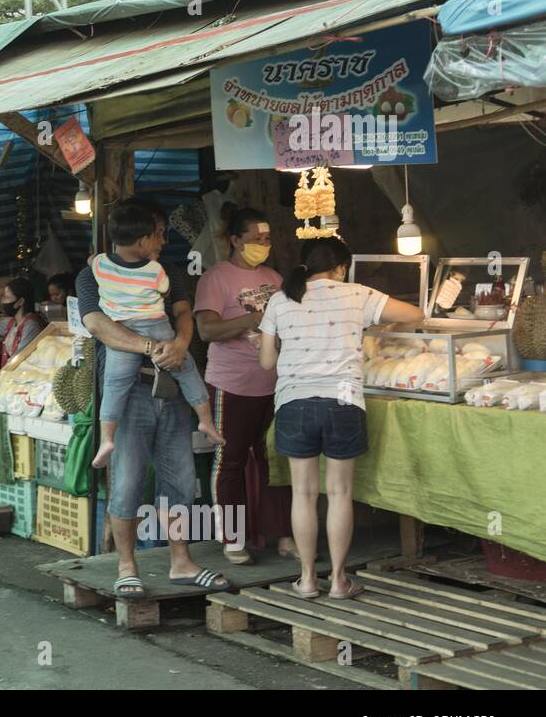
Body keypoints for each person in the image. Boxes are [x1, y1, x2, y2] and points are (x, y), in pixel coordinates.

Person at [76, 206, 231, 598]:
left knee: (179, 479)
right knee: (127, 481)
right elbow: (97, 324)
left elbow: (182, 312)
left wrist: (179, 344)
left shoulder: (167, 271)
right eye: (159, 233)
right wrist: (150, 347)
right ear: (140, 236)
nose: (163, 241)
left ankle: (181, 561)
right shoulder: (91, 273)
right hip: (130, 394)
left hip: (171, 391)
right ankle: (127, 565)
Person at [259, 237, 424, 600]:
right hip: (343, 402)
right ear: (340, 267)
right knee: (339, 493)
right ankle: (337, 581)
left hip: (294, 403)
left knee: (302, 494)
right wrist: (381, 333)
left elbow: (267, 363)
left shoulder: (279, 300)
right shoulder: (357, 294)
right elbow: (416, 315)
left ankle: (305, 580)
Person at [89, 202, 223, 470]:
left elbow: (94, 268)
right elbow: (163, 291)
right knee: (187, 370)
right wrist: (171, 346)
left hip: (122, 331)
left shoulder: (100, 265)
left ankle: (106, 438)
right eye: (156, 235)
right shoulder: (156, 270)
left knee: (114, 386)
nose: (160, 242)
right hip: (155, 326)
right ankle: (206, 420)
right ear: (143, 241)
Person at [195, 206, 293, 564]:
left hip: (275, 384)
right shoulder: (215, 279)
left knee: (276, 460)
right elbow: (206, 330)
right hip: (230, 385)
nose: (263, 245)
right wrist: (254, 318)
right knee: (231, 460)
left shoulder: (275, 278)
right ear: (235, 240)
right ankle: (232, 539)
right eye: (255, 239)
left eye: (267, 240)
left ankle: (281, 533)